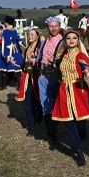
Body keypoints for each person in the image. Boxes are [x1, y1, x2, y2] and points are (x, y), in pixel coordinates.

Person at [50, 29, 89, 166]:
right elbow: (55, 68)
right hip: (64, 90)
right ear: (65, 41)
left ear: (78, 40)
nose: (71, 40)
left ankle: (82, 130)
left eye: (74, 38)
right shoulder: (61, 56)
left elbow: (86, 67)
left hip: (78, 90)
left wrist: (87, 72)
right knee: (68, 122)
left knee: (80, 120)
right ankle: (77, 149)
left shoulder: (80, 56)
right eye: (68, 38)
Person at [36, 17, 65, 151]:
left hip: (57, 77)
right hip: (43, 76)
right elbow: (39, 58)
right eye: (50, 26)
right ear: (47, 27)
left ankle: (61, 131)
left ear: (59, 26)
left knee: (57, 106)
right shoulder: (44, 42)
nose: (53, 28)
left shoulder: (64, 42)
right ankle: (52, 136)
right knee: (46, 106)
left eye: (55, 26)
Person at [15, 25, 43, 128]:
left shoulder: (40, 48)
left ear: (37, 36)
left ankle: (39, 116)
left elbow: (41, 62)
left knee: (37, 99)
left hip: (37, 77)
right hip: (27, 77)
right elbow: (24, 64)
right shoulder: (28, 48)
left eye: (32, 34)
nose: (29, 36)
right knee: (27, 100)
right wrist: (17, 63)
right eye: (28, 34)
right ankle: (30, 122)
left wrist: (35, 61)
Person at [0, 16, 24, 89]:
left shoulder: (6, 32)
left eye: (5, 23)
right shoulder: (13, 31)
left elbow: (8, 41)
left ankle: (7, 85)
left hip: (9, 51)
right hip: (12, 51)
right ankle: (15, 85)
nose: (4, 24)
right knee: (10, 69)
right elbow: (18, 39)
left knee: (7, 69)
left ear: (7, 23)